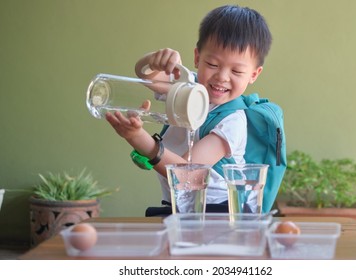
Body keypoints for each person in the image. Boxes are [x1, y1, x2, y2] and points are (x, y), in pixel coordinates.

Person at [106, 5, 272, 214]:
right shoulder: (187, 86)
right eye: (212, 64)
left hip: (219, 212)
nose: (222, 77)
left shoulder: (233, 120)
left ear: (254, 75)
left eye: (237, 71)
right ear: (197, 58)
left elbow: (187, 175)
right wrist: (154, 61)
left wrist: (137, 138)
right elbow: (147, 76)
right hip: (180, 207)